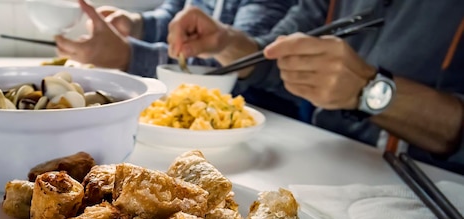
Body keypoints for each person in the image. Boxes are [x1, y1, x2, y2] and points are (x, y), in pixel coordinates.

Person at [167, 0, 464, 174]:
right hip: (323, 163)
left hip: (425, 185)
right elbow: (274, 59)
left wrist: (369, 91)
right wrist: (225, 42)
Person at [54, 0, 300, 116]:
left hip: (256, 115)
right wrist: (136, 25)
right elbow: (174, 16)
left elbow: (237, 62)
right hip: (189, 116)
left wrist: (127, 55)